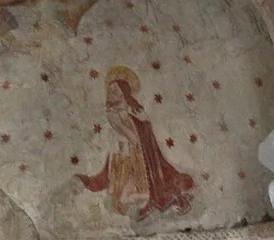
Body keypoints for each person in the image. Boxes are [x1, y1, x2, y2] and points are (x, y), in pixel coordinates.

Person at [77, 68, 195, 219]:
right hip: (122, 155)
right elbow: (126, 138)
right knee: (120, 192)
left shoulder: (133, 111)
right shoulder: (114, 112)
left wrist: (120, 123)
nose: (112, 94)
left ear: (124, 92)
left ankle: (150, 202)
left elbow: (136, 137)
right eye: (110, 91)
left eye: (116, 91)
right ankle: (139, 204)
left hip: (137, 156)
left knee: (132, 192)